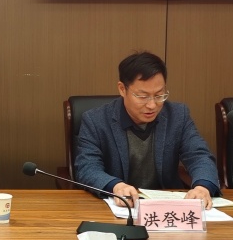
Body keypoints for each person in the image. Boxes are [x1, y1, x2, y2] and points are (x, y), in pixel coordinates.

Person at [73, 51, 219, 210]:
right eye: (143, 96)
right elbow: (87, 167)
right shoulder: (96, 120)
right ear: (122, 89)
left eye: (159, 95)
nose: (152, 105)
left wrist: (203, 187)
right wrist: (115, 186)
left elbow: (199, 155)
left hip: (166, 208)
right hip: (119, 207)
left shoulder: (178, 115)